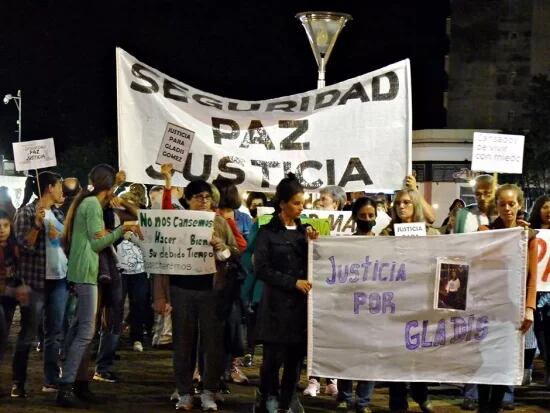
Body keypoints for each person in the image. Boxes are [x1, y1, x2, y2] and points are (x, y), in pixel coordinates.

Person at [56, 164, 140, 408]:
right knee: (85, 333)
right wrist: (121, 230)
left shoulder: (89, 202)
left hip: (83, 270)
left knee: (79, 330)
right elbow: (97, 243)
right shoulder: (92, 204)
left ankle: (78, 385)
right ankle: (67, 387)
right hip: (86, 271)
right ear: (110, 185)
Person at [153, 178, 240, 412]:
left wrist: (220, 246)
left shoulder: (220, 222)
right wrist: (160, 295)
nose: (203, 201)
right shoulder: (174, 223)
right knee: (183, 344)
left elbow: (234, 253)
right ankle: (184, 392)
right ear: (188, 200)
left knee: (212, 344)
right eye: (198, 197)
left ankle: (209, 391)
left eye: (207, 197)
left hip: (212, 291)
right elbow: (161, 259)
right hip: (181, 290)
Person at [254, 173, 318, 413]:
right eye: (296, 203)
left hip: (301, 308)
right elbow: (261, 269)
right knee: (272, 359)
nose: (301, 208)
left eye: (303, 203)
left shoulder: (306, 232)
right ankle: (267, 395)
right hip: (275, 307)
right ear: (282, 203)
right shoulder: (266, 233)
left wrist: (314, 242)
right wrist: (293, 282)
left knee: (295, 359)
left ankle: (288, 398)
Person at [476, 184, 537, 413]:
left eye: (512, 204)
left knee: (503, 361)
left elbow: (532, 276)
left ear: (519, 205)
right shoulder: (486, 231)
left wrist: (529, 307)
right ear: (497, 207)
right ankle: (483, 407)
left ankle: (494, 408)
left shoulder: (529, 236)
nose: (507, 208)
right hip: (487, 305)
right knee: (485, 360)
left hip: (513, 309)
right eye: (502, 204)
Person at [11, 172, 69, 397]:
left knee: (54, 333)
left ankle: (51, 380)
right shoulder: (25, 212)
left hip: (59, 280)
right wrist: (37, 226)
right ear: (49, 188)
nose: (62, 190)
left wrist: (61, 238)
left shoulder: (58, 212)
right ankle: (18, 382)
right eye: (59, 186)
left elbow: (65, 245)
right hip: (34, 282)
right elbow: (22, 247)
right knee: (27, 333)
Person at [385, 188, 436, 413]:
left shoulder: (432, 235)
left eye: (407, 202)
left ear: (415, 205)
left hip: (421, 303)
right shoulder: (385, 235)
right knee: (396, 355)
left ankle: (420, 392)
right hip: (395, 305)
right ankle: (397, 402)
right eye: (398, 203)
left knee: (419, 352)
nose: (402, 206)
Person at [454, 175, 498, 411]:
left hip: (498, 286)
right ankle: (470, 392)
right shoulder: (464, 215)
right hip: (470, 285)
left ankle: (504, 392)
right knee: (473, 339)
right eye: (478, 193)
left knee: (500, 339)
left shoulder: (505, 215)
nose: (481, 197)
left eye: (486, 193)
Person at [334, 196, 378, 413]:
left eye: (371, 216)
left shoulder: (384, 246)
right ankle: (344, 395)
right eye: (362, 216)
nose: (367, 219)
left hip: (374, 310)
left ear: (377, 217)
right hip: (350, 310)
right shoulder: (345, 246)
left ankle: (363, 401)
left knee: (369, 356)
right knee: (347, 354)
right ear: (354, 218)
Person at [303, 185, 344, 398]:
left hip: (339, 287)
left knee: (336, 335)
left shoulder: (346, 226)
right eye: (319, 198)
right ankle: (313, 379)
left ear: (336, 204)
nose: (319, 202)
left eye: (324, 199)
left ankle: (332, 379)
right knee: (315, 332)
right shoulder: (310, 223)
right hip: (316, 284)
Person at [212, 177, 249, 385]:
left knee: (235, 325)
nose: (224, 212)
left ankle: (233, 365)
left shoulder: (242, 219)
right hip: (214, 279)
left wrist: (229, 224)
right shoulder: (209, 217)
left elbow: (243, 247)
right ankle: (209, 368)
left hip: (235, 280)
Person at [0, 210, 19, 368]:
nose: (2, 229)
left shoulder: (14, 247)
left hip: (9, 297)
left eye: (5, 225)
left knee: (4, 334)